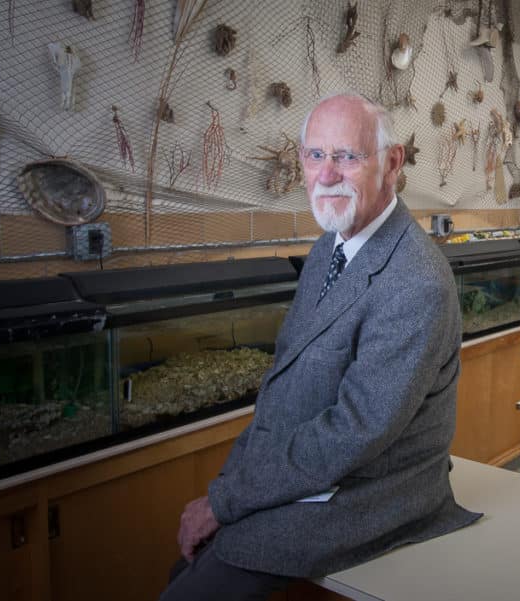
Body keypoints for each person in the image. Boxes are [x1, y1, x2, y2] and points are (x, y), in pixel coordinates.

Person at [161, 92, 480, 600]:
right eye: (315, 155)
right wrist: (230, 489)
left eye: (348, 157)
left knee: (193, 592)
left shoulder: (415, 280)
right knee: (185, 573)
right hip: (316, 473)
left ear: (392, 163)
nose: (327, 174)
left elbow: (353, 432)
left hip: (372, 491)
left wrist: (225, 503)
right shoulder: (328, 247)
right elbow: (283, 391)